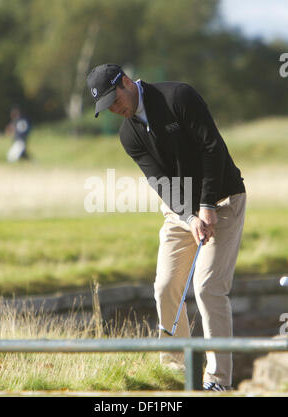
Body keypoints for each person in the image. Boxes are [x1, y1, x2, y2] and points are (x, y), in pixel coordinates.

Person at [86, 63, 246, 391]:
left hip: (225, 198)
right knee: (164, 287)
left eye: (114, 101)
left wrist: (206, 206)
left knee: (206, 287)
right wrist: (189, 217)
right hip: (179, 211)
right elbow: (159, 181)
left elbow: (211, 148)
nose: (115, 110)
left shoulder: (178, 97)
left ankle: (218, 381)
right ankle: (176, 373)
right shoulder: (128, 133)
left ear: (126, 82)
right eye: (108, 108)